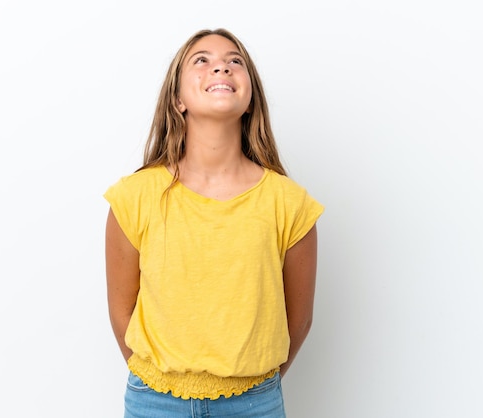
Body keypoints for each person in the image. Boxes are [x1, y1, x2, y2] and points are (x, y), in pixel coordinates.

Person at [104, 28, 324, 418]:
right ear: (177, 100)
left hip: (255, 403)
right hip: (153, 401)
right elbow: (122, 313)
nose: (221, 65)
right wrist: (164, 383)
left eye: (235, 61)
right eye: (201, 60)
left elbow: (298, 320)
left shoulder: (289, 204)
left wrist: (250, 388)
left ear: (249, 95)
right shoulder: (134, 197)